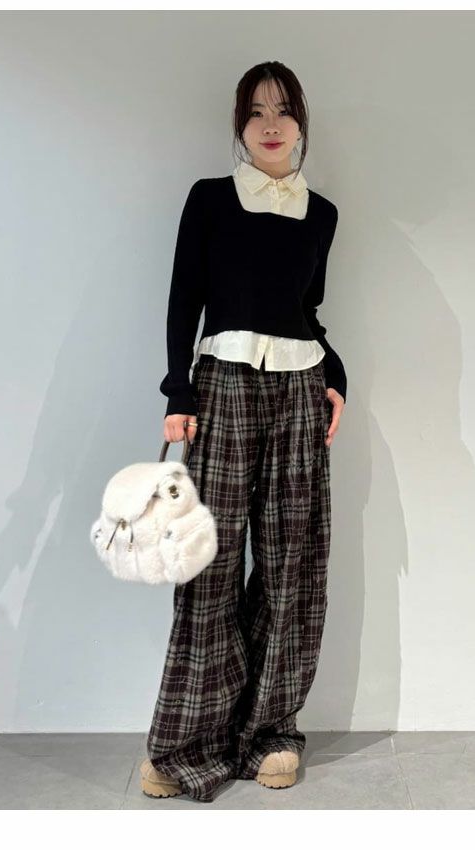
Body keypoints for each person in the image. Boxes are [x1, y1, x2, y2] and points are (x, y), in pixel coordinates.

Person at [140, 60, 347, 803]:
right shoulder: (210, 199)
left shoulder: (321, 214)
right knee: (211, 564)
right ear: (239, 125)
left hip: (300, 389)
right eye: (256, 111)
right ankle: (186, 742)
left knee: (293, 566)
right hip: (222, 386)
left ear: (301, 122)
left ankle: (272, 733)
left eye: (283, 110)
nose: (271, 124)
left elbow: (307, 313)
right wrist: (178, 388)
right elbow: (184, 299)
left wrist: (336, 376)